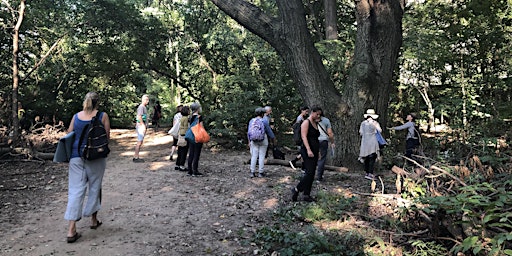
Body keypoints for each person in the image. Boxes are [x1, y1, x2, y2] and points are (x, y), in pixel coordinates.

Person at [64, 92, 110, 243]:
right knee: (95, 187)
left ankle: (71, 230)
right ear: (98, 103)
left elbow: (69, 135)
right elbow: (106, 138)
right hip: (96, 157)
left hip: (76, 157)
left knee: (76, 190)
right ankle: (93, 220)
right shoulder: (102, 116)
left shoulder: (76, 116)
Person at [290, 106, 322, 202]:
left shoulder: (316, 123)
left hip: (315, 150)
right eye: (317, 114)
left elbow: (316, 139)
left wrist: (318, 151)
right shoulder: (306, 122)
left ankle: (306, 194)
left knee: (312, 173)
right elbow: (304, 137)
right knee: (309, 172)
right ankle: (297, 189)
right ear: (312, 112)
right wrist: (308, 150)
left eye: (319, 114)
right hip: (307, 150)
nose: (318, 116)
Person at [248, 107, 276, 178]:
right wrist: (273, 139)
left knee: (254, 156)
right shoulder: (264, 121)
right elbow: (270, 132)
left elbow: (249, 132)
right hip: (263, 140)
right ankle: (261, 172)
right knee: (261, 156)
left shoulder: (252, 121)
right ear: (263, 114)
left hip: (254, 140)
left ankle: (252, 172)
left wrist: (249, 141)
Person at [359, 109, 382, 180]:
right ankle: (370, 173)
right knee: (372, 157)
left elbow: (361, 132)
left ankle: (366, 172)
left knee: (366, 157)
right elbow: (380, 130)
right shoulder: (375, 123)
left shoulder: (363, 123)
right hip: (372, 141)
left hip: (365, 141)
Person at [187, 102, 205, 176]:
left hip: (191, 136)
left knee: (191, 153)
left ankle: (190, 170)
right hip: (197, 136)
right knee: (196, 153)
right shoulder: (199, 117)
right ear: (198, 108)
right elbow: (201, 127)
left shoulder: (190, 117)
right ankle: (195, 170)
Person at [289, 106, 309, 170]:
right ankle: (295, 162)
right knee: (303, 152)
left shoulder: (302, 118)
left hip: (301, 137)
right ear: (302, 111)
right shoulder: (300, 118)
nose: (307, 113)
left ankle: (299, 164)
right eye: (306, 111)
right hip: (300, 138)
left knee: (303, 152)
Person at [316, 113, 335, 182]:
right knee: (322, 158)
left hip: (314, 140)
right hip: (323, 140)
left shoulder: (311, 119)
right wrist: (332, 142)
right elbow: (330, 133)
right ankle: (319, 177)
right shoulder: (326, 120)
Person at [133, 94, 149, 163]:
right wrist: (143, 125)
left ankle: (136, 156)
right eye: (147, 100)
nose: (148, 101)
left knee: (140, 141)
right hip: (140, 126)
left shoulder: (144, 107)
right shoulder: (141, 107)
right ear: (143, 100)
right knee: (139, 142)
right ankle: (136, 157)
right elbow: (139, 116)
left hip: (141, 125)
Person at [175, 105, 189, 171]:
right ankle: (181, 165)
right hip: (184, 135)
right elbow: (186, 127)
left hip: (180, 134)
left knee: (180, 150)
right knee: (184, 150)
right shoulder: (186, 118)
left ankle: (177, 164)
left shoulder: (182, 118)